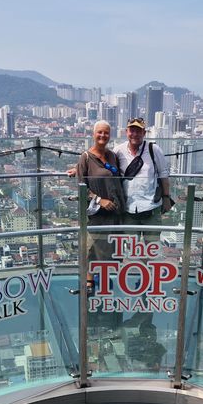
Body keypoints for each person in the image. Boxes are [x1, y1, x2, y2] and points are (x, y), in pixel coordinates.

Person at [75, 120, 125, 292]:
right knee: (91, 245)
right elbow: (81, 187)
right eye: (100, 132)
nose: (103, 136)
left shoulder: (112, 156)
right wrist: (99, 199)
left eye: (106, 133)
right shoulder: (86, 157)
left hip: (115, 210)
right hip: (96, 212)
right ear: (93, 134)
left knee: (109, 245)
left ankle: (103, 277)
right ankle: (89, 280)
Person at [113, 117, 174, 240]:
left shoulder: (153, 149)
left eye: (138, 131)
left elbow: (163, 174)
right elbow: (105, 166)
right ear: (126, 132)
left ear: (144, 133)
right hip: (128, 208)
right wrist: (80, 167)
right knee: (131, 248)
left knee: (151, 247)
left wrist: (166, 197)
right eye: (132, 130)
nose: (135, 134)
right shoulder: (118, 150)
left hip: (151, 207)